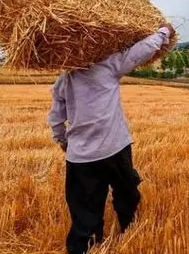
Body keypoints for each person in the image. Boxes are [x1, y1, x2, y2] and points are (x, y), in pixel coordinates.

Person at [47, 24, 175, 254]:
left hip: (81, 157)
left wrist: (63, 141)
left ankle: (84, 247)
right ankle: (130, 230)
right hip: (115, 148)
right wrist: (164, 32)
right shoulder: (109, 65)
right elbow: (142, 50)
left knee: (85, 210)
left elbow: (56, 118)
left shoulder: (64, 80)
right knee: (127, 193)